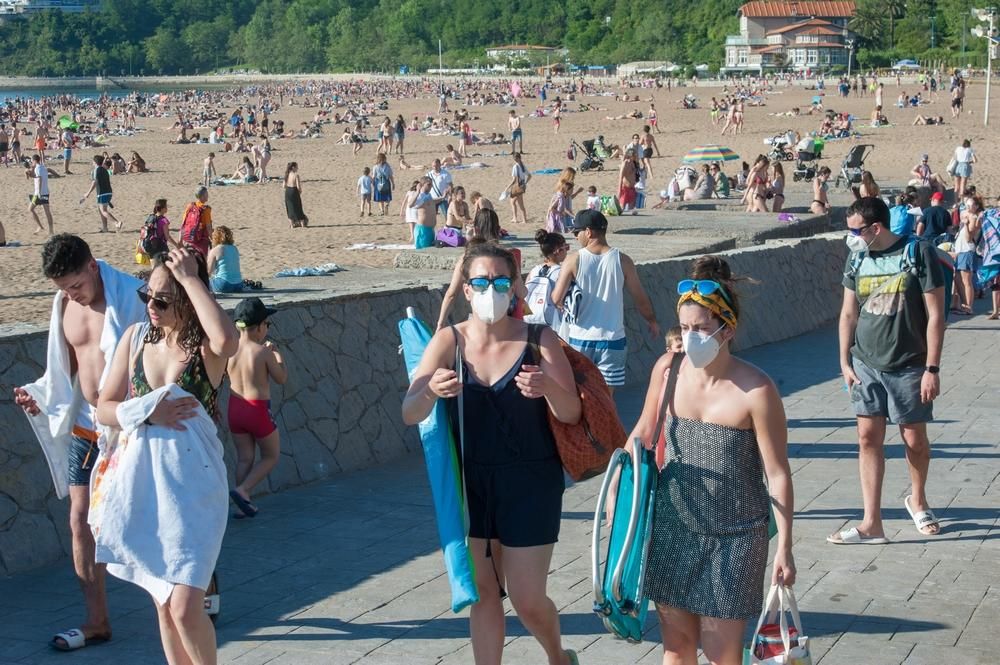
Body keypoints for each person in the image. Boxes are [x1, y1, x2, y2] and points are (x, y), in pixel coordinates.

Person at [402, 242, 581, 665]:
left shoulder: (539, 338)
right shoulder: (449, 341)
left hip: (531, 483)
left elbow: (571, 412)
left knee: (527, 598)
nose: (490, 290)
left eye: (501, 282)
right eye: (481, 282)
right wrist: (430, 390)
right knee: (484, 594)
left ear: (515, 286)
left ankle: (558, 656)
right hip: (474, 484)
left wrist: (547, 387)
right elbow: (410, 412)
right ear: (466, 289)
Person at [622, 255, 794, 665]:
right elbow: (642, 433)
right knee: (677, 649)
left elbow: (777, 474)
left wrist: (785, 546)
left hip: (736, 536)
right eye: (684, 328)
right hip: (673, 525)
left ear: (727, 329)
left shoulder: (756, 390)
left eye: (700, 328)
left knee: (722, 654)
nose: (689, 337)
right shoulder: (668, 370)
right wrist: (619, 493)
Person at [95, 247, 238, 665]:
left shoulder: (205, 349)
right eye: (147, 296)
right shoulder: (135, 338)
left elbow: (227, 340)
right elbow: (104, 407)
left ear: (188, 300)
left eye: (163, 300)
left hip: (195, 490)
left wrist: (191, 277)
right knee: (163, 602)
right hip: (146, 485)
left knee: (185, 606)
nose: (151, 307)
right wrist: (145, 411)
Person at [14, 235, 147, 652]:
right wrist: (41, 397)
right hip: (86, 428)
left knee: (154, 514)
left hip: (129, 426)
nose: (71, 294)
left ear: (93, 266)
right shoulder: (64, 305)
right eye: (63, 288)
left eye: (75, 285)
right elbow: (65, 369)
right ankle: (97, 620)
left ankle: (200, 585)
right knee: (79, 519)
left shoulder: (133, 297)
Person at [830, 197, 946, 545]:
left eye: (855, 230)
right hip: (865, 363)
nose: (851, 237)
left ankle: (918, 500)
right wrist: (844, 362)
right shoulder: (857, 258)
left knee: (914, 438)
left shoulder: (918, 252)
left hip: (909, 363)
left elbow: (936, 315)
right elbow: (848, 313)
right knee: (867, 438)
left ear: (876, 228)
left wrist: (932, 368)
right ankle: (871, 523)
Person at [551, 209, 659, 392]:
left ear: (588, 232)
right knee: (607, 396)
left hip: (580, 338)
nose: (576, 237)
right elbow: (640, 297)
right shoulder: (623, 260)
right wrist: (652, 320)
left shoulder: (573, 260)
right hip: (612, 340)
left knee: (582, 393)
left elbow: (556, 298)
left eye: (577, 232)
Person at [227, 297, 288, 518]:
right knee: (271, 455)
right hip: (257, 410)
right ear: (260, 327)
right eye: (267, 324)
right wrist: (277, 355)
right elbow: (281, 378)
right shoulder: (263, 352)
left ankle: (242, 505)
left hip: (235, 409)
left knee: (245, 458)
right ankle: (243, 490)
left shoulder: (230, 350)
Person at [435, 208, 526, 330]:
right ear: (498, 229)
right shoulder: (508, 257)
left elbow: (451, 294)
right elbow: (521, 292)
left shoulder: (467, 258)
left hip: (479, 323)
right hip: (507, 323)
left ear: (476, 229)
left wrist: (440, 324)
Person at [524, 230, 571, 338]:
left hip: (531, 320)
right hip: (554, 324)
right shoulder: (562, 272)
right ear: (557, 251)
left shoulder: (534, 270)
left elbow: (525, 294)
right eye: (566, 247)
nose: (567, 251)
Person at [952, 195, 983, 316]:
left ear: (976, 206)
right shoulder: (965, 214)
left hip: (967, 250)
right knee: (957, 278)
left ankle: (968, 307)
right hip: (960, 250)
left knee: (966, 280)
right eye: (967, 205)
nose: (968, 207)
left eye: (971, 205)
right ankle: (961, 305)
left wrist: (965, 224)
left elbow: (969, 238)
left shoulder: (974, 217)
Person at [80, 155, 122, 233]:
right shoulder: (104, 169)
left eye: (93, 161)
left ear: (95, 162)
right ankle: (105, 228)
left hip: (102, 193)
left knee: (103, 211)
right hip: (108, 192)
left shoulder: (96, 170)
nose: (92, 163)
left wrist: (88, 193)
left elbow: (95, 182)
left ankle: (116, 223)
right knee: (101, 210)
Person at [206, 226, 247, 293]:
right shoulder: (234, 248)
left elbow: (209, 272)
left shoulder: (216, 250)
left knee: (202, 283)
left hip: (223, 284)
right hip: (238, 284)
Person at [411, 176, 447, 249]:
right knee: (423, 251)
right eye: (429, 184)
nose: (431, 186)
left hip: (430, 229)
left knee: (430, 249)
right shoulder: (419, 196)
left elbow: (432, 201)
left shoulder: (428, 195)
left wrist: (442, 197)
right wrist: (417, 192)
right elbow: (410, 204)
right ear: (422, 185)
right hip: (423, 230)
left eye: (431, 184)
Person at [180, 187, 214, 256]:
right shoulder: (206, 210)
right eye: (207, 194)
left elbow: (183, 223)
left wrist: (180, 239)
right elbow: (208, 227)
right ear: (202, 196)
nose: (208, 195)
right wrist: (213, 239)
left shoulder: (190, 206)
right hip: (201, 239)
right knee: (202, 260)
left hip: (188, 238)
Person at [27, 153, 54, 235]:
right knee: (47, 212)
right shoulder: (43, 167)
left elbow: (39, 179)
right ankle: (51, 230)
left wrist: (38, 192)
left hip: (39, 193)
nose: (31, 163)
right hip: (46, 192)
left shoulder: (38, 168)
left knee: (30, 209)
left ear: (34, 161)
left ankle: (40, 227)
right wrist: (29, 172)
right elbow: (35, 176)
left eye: (32, 161)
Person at [505, 152, 530, 225]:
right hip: (522, 186)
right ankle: (515, 218)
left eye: (515, 158)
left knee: (519, 203)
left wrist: (507, 187)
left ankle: (522, 220)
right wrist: (525, 183)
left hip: (517, 187)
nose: (515, 159)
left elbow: (514, 180)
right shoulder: (522, 166)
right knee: (513, 202)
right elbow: (529, 176)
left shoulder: (515, 166)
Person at [284, 162, 308, 228]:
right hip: (294, 191)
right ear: (293, 167)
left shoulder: (287, 174)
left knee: (290, 208)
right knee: (298, 208)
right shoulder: (296, 175)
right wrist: (299, 192)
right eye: (297, 167)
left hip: (287, 191)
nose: (297, 168)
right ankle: (302, 224)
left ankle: (292, 225)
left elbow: (283, 186)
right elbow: (298, 187)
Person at [372, 152, 395, 216]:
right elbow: (391, 176)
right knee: (387, 197)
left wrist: (373, 183)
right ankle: (387, 205)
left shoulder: (375, 167)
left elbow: (373, 176)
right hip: (386, 182)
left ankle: (382, 211)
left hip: (378, 183)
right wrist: (393, 183)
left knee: (380, 199)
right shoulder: (387, 166)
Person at [618, 149, 640, 214]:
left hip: (632, 189)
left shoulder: (633, 163)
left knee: (632, 210)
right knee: (621, 209)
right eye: (635, 155)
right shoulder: (625, 163)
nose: (636, 156)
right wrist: (619, 190)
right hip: (625, 189)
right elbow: (620, 177)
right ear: (630, 155)